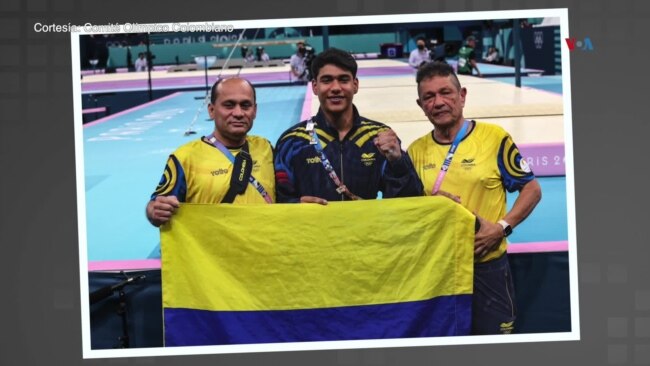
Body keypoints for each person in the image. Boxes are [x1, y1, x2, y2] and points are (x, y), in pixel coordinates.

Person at [407, 61, 542, 335]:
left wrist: (502, 227)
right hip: (438, 271)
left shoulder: (494, 138)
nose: (439, 102)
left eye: (446, 92)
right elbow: (408, 211)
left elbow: (532, 189)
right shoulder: (415, 151)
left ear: (462, 95)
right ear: (421, 105)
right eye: (429, 97)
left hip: (487, 268)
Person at [275, 48, 423, 204]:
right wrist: (296, 205)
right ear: (315, 87)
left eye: (343, 79)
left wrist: (398, 163)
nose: (336, 88)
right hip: (311, 228)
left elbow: (409, 201)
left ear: (355, 85)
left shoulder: (378, 137)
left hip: (365, 228)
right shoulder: (292, 142)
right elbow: (277, 201)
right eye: (327, 80)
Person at [146, 77, 275, 226]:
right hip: (212, 248)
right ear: (212, 110)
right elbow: (156, 205)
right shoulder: (185, 157)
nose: (238, 113)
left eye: (245, 105)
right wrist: (154, 210)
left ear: (255, 111)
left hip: (261, 247)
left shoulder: (266, 148)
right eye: (229, 105)